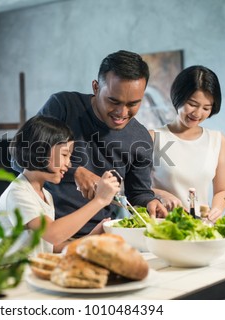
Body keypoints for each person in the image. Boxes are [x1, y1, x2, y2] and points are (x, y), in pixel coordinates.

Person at [36, 50, 168, 238]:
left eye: (133, 104)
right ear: (96, 87)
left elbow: (138, 193)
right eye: (114, 101)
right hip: (46, 232)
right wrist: (76, 172)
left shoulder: (140, 137)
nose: (122, 112)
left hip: (100, 234)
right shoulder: (63, 106)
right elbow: (18, 157)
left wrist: (150, 203)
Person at [0, 115, 121, 255]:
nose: (69, 164)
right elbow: (53, 234)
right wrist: (100, 200)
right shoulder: (18, 193)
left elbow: (51, 246)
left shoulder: (45, 195)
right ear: (39, 151)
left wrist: (91, 237)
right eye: (64, 155)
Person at [149, 65, 225, 221]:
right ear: (178, 96)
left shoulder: (217, 140)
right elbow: (135, 189)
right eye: (192, 104)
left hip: (202, 225)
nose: (198, 114)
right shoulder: (154, 138)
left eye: (206, 107)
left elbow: (222, 190)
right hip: (163, 227)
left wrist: (216, 211)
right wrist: (162, 194)